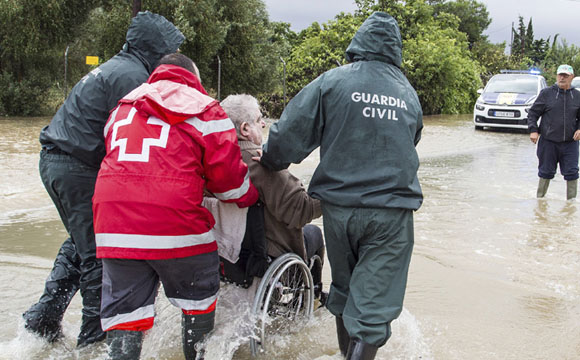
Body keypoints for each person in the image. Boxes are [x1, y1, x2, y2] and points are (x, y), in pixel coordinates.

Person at [258, 12, 423, 360]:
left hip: (338, 211)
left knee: (345, 290)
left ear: (358, 44)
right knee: (373, 307)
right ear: (395, 49)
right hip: (390, 214)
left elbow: (290, 133)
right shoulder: (407, 93)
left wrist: (270, 161)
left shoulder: (332, 82)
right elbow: (411, 141)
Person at [23, 11, 185, 347]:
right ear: (155, 50)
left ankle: (43, 320)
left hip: (59, 163)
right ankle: (93, 345)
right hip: (77, 168)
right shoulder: (133, 77)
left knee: (80, 245)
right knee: (101, 257)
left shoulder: (120, 66)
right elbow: (150, 136)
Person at [92, 53, 258, 360]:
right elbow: (230, 185)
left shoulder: (123, 106)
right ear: (193, 76)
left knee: (125, 315)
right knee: (199, 298)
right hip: (177, 228)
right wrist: (250, 197)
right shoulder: (207, 109)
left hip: (113, 229)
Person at [220, 94, 325, 294]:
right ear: (245, 129)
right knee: (315, 234)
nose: (262, 126)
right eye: (259, 120)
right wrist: (330, 195)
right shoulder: (260, 163)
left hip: (226, 258)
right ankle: (312, 299)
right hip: (267, 261)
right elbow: (302, 211)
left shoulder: (208, 160)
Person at [527, 64, 580, 200]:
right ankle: (540, 201)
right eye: (560, 75)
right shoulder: (546, 94)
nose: (562, 78)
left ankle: (571, 204)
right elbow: (533, 113)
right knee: (545, 172)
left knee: (572, 173)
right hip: (548, 142)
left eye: (565, 76)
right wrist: (533, 130)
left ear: (571, 77)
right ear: (556, 76)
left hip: (570, 144)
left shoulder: (577, 95)